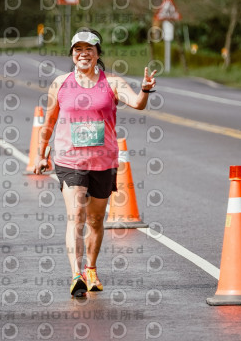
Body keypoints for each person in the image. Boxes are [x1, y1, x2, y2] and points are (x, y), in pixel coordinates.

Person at [34, 28, 156, 297]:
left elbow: (137, 103)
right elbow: (49, 122)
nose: (83, 54)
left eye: (89, 49)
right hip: (69, 159)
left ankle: (91, 268)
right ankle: (75, 273)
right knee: (76, 215)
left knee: (96, 220)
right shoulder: (60, 83)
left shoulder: (112, 83)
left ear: (98, 53)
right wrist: (41, 154)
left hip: (103, 160)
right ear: (72, 54)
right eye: (78, 49)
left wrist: (145, 90)